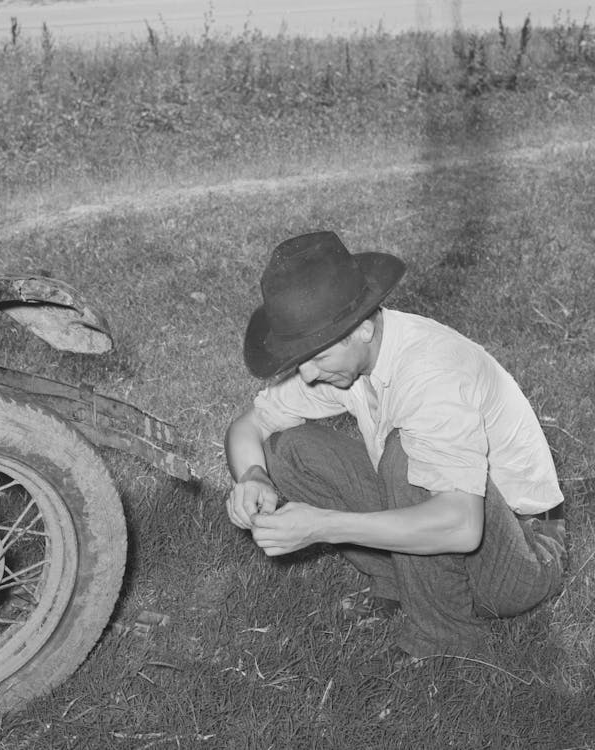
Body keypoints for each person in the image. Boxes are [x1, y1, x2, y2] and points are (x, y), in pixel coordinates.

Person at [225, 230, 567, 659]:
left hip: (523, 551)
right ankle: (400, 584)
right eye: (301, 359)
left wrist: (322, 524)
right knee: (286, 450)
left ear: (363, 327)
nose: (308, 375)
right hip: (461, 524)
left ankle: (447, 641)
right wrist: (254, 477)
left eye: (317, 357)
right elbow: (248, 426)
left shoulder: (432, 374)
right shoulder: (346, 359)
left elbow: (462, 526)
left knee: (403, 458)